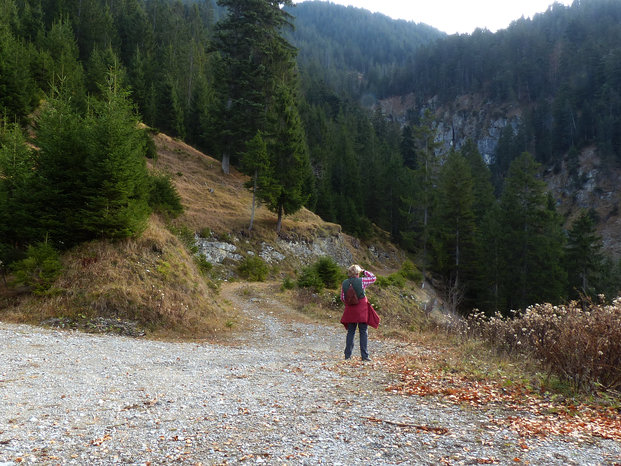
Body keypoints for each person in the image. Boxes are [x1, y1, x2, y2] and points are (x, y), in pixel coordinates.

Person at [340, 264, 376, 361]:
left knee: (351, 331)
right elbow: (373, 278)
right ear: (357, 273)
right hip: (361, 309)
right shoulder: (362, 281)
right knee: (363, 331)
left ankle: (347, 356)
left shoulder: (344, 283)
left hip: (351, 309)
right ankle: (364, 356)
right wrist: (364, 271)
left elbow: (343, 298)